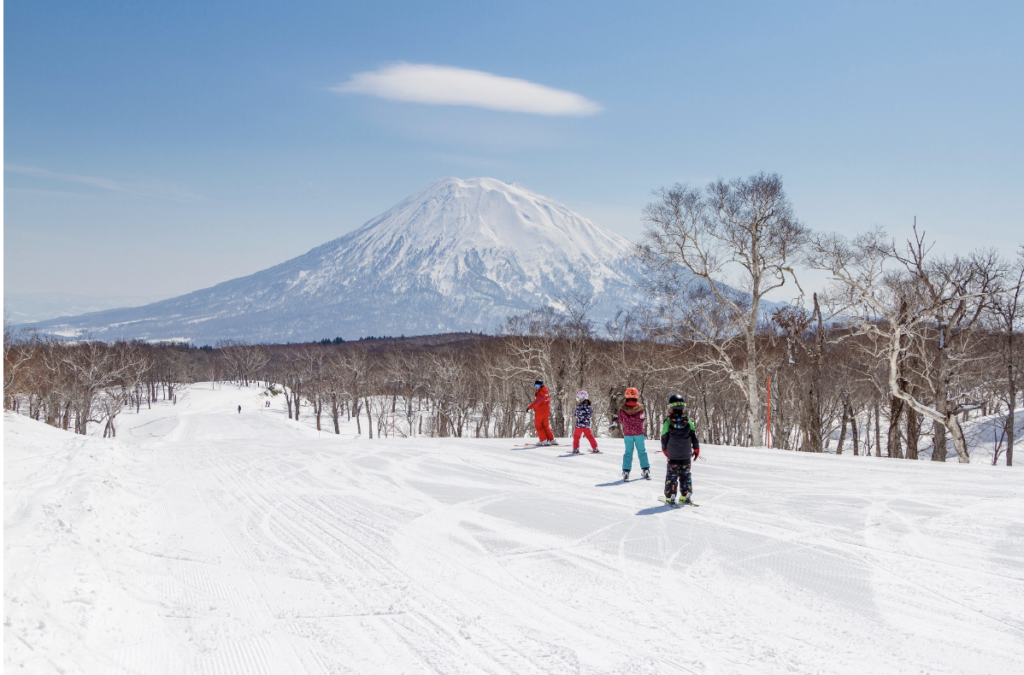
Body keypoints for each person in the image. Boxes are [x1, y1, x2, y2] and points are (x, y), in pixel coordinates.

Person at [660, 394, 700, 505]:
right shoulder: (688, 421)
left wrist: (665, 449)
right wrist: (696, 448)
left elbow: (664, 437)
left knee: (672, 475)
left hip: (673, 455)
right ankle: (686, 494)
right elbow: (694, 436)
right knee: (685, 474)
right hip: (686, 455)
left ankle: (670, 496)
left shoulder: (668, 422)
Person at [618, 387, 649, 480]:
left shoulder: (622, 409)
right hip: (639, 433)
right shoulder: (640, 408)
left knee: (628, 452)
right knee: (642, 451)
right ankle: (645, 469)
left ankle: (626, 471)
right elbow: (642, 418)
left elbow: (620, 420)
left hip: (628, 434)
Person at [527, 380, 555, 446]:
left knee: (539, 426)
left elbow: (537, 402)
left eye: (538, 386)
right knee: (545, 426)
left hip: (540, 412)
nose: (536, 388)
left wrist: (529, 407)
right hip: (546, 411)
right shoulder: (545, 391)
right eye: (535, 386)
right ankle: (551, 440)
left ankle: (543, 440)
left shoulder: (541, 393)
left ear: (541, 385)